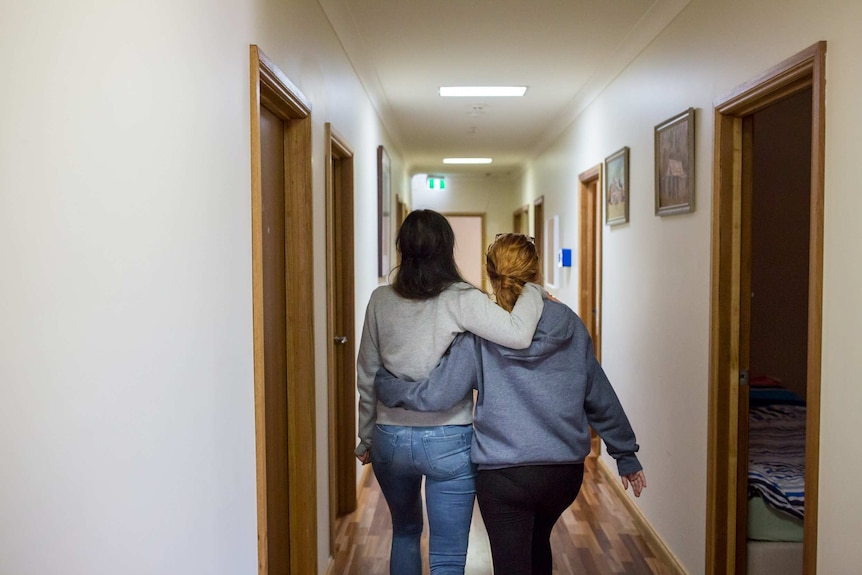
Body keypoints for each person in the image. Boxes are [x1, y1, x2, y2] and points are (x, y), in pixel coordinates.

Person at [376, 232, 646, 575]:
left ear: (490, 275)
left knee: (512, 561)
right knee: (537, 544)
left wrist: (389, 387)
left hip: (505, 476)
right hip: (562, 474)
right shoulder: (569, 324)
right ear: (536, 273)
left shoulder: (481, 331)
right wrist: (625, 453)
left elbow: (439, 394)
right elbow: (598, 394)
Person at [356, 212, 546, 575]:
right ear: (447, 248)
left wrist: (366, 437)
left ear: (402, 249)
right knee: (446, 553)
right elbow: (519, 334)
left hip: (390, 438)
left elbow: (367, 374)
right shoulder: (461, 298)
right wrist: (533, 289)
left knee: (405, 532)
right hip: (448, 439)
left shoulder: (380, 300)